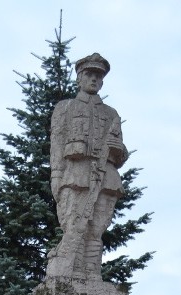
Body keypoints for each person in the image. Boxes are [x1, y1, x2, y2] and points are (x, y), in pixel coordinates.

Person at [46, 52, 128, 280]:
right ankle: (70, 272)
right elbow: (58, 145)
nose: (94, 80)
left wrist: (118, 149)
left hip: (106, 178)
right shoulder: (65, 108)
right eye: (89, 75)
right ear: (79, 78)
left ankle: (92, 273)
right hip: (75, 174)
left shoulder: (112, 114)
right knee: (74, 226)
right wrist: (56, 177)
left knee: (96, 229)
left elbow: (122, 155)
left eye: (98, 76)